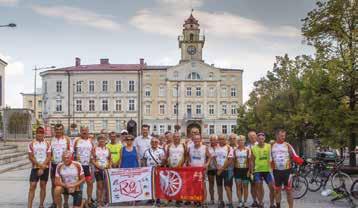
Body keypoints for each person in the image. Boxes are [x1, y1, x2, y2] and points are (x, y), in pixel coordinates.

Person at [271, 129, 302, 208]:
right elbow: (269, 158)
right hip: (276, 171)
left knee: (289, 191)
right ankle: (278, 206)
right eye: (281, 136)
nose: (283, 137)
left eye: (284, 136)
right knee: (277, 190)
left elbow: (294, 155)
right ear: (276, 135)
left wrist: (300, 161)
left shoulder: (287, 145)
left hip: (287, 171)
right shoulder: (272, 145)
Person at [27, 127, 51, 208]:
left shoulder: (47, 143)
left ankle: (41, 205)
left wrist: (43, 167)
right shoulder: (31, 144)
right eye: (38, 132)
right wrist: (39, 166)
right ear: (36, 133)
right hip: (35, 167)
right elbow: (31, 157)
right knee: (32, 186)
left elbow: (49, 156)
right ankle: (29, 206)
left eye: (41, 132)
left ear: (43, 134)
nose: (40, 134)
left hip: (45, 167)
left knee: (43, 185)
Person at [49, 124, 71, 208]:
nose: (58, 131)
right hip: (54, 165)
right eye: (56, 130)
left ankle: (65, 202)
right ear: (54, 130)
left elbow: (70, 152)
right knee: (54, 184)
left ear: (63, 130)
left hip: (64, 165)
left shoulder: (67, 139)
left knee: (65, 183)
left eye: (60, 129)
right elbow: (49, 152)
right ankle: (54, 203)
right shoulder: (51, 140)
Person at [251, 132, 275, 208]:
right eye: (259, 139)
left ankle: (272, 204)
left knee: (272, 187)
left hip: (267, 170)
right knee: (259, 186)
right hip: (257, 170)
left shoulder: (269, 146)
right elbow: (252, 160)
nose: (261, 140)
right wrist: (252, 171)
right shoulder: (254, 148)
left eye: (262, 138)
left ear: (264, 139)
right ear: (257, 139)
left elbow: (275, 145)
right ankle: (260, 203)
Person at [187, 134, 211, 208]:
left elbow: (210, 156)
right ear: (193, 140)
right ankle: (196, 201)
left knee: (203, 186)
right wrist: (189, 162)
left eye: (198, 139)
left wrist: (207, 164)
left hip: (201, 170)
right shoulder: (190, 147)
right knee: (194, 186)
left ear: (200, 140)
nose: (196, 140)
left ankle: (204, 202)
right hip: (192, 170)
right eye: (195, 139)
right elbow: (187, 155)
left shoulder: (204, 147)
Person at [73, 126, 95, 207]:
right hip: (79, 166)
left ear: (88, 131)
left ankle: (89, 200)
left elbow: (93, 152)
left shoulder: (90, 140)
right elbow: (72, 152)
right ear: (80, 131)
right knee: (79, 184)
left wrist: (92, 163)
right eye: (82, 130)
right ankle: (79, 201)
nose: (84, 132)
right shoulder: (76, 140)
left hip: (88, 166)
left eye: (86, 130)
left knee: (90, 183)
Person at [143, 136, 166, 206]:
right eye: (152, 142)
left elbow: (164, 160)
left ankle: (158, 199)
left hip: (158, 170)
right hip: (149, 170)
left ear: (158, 143)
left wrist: (161, 164)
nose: (154, 143)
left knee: (158, 185)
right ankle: (151, 199)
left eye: (156, 142)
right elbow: (144, 160)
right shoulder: (147, 151)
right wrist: (145, 168)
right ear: (150, 143)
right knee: (150, 185)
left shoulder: (161, 150)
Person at [92, 135, 112, 208]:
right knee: (99, 186)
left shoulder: (108, 149)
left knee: (104, 186)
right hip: (98, 169)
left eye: (103, 140)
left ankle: (103, 201)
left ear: (105, 141)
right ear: (98, 141)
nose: (102, 141)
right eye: (100, 140)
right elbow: (92, 160)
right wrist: (98, 166)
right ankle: (99, 202)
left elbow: (110, 159)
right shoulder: (95, 149)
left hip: (105, 169)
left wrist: (108, 165)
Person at [215, 135, 234, 208]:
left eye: (222, 139)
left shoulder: (229, 148)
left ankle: (230, 202)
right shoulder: (216, 147)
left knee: (227, 186)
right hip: (218, 169)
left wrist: (222, 169)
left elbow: (230, 160)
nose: (221, 140)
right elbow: (214, 158)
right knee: (219, 186)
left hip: (227, 170)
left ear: (225, 139)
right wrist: (217, 166)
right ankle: (221, 201)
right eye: (219, 139)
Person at [234, 135, 251, 208]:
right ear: (237, 142)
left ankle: (245, 202)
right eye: (239, 140)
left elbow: (250, 161)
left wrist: (249, 171)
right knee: (238, 186)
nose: (241, 141)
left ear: (244, 141)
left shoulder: (247, 150)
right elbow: (234, 160)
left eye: (242, 140)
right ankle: (240, 201)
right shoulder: (235, 150)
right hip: (237, 170)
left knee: (245, 187)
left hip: (245, 170)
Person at [247, 130, 259, 207]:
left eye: (254, 136)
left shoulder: (260, 145)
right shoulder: (247, 147)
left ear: (256, 137)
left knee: (259, 185)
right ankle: (254, 200)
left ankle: (260, 200)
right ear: (249, 138)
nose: (252, 138)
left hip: (259, 169)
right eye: (251, 137)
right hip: (251, 169)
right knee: (253, 185)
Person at [207, 134, 218, 205]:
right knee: (211, 184)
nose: (212, 141)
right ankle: (212, 199)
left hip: (218, 168)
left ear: (216, 140)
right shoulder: (207, 147)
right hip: (210, 168)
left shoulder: (220, 147)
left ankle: (220, 199)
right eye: (211, 140)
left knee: (219, 184)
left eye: (214, 139)